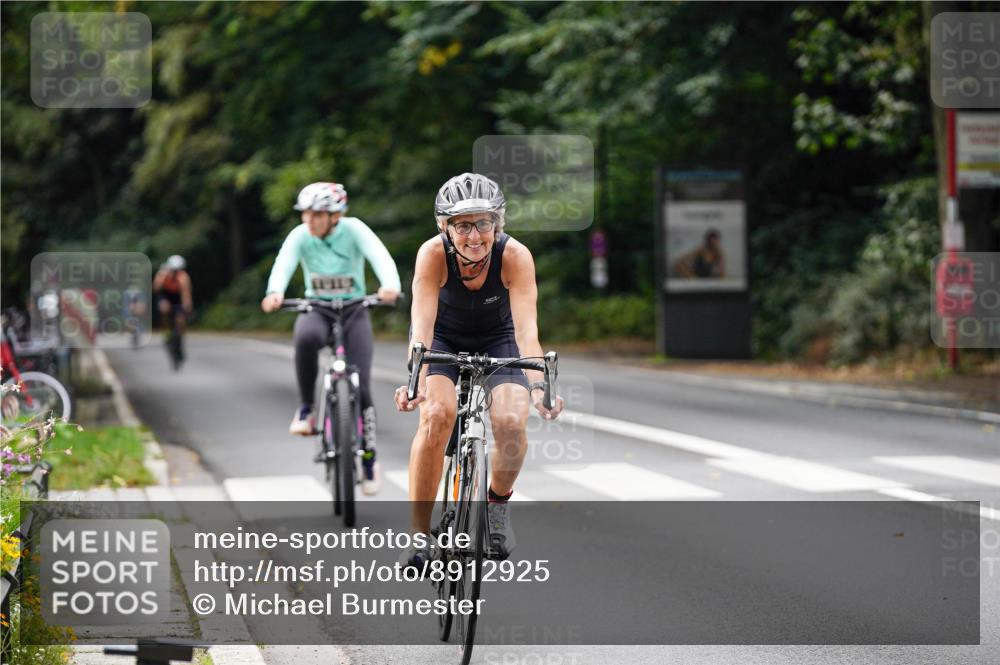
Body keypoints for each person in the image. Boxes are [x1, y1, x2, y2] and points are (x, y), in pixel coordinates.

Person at [394, 173, 564, 566]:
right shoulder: (432, 254)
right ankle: (419, 535)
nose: (474, 236)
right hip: (443, 340)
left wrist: (539, 387)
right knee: (437, 416)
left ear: (497, 224)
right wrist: (415, 380)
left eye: (483, 223)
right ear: (445, 227)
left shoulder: (515, 257)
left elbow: (526, 333)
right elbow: (420, 329)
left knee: (508, 419)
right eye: (463, 224)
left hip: (499, 339)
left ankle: (497, 506)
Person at [261, 181, 401, 495]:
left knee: (363, 385)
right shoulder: (300, 236)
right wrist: (275, 293)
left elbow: (379, 256)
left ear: (335, 216)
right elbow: (283, 264)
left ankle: (368, 459)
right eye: (306, 214)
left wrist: (389, 285)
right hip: (318, 308)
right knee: (305, 337)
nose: (309, 220)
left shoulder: (353, 230)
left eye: (317, 215)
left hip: (354, 309)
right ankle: (307, 409)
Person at [153, 255, 193, 351]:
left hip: (177, 297)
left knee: (180, 318)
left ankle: (179, 336)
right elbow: (156, 289)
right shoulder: (162, 274)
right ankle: (167, 333)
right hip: (165, 296)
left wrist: (187, 305)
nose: (175, 272)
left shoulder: (183, 277)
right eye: (173, 270)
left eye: (178, 270)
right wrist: (161, 277)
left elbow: (186, 293)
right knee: (164, 309)